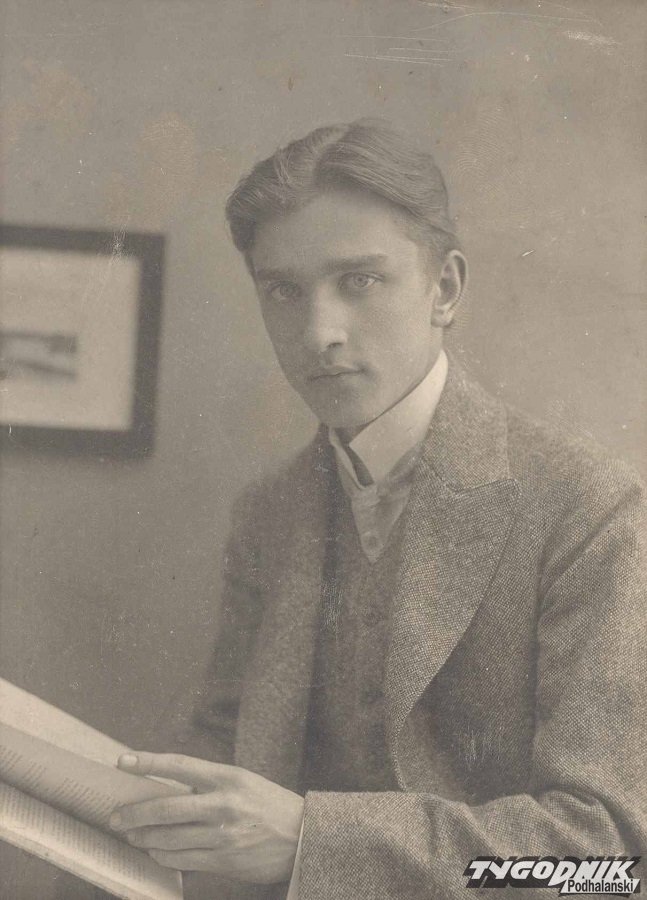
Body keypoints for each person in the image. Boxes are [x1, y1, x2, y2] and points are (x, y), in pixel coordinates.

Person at [108, 120, 647, 898]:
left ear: (444, 290)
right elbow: (224, 750)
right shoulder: (268, 513)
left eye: (359, 281)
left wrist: (310, 840)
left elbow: (605, 861)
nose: (317, 333)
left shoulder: (586, 508)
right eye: (283, 291)